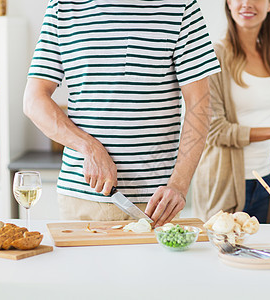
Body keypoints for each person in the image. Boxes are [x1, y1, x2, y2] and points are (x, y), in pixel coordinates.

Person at [23, 0, 220, 226]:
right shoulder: (63, 6)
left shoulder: (181, 6)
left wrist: (179, 184)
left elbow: (200, 105)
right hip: (82, 200)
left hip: (156, 204)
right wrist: (89, 147)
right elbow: (34, 100)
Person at [192, 0, 270, 223]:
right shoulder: (214, 56)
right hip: (225, 184)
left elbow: (262, 116)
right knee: (224, 253)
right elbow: (214, 130)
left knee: (262, 253)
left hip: (267, 179)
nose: (246, 3)